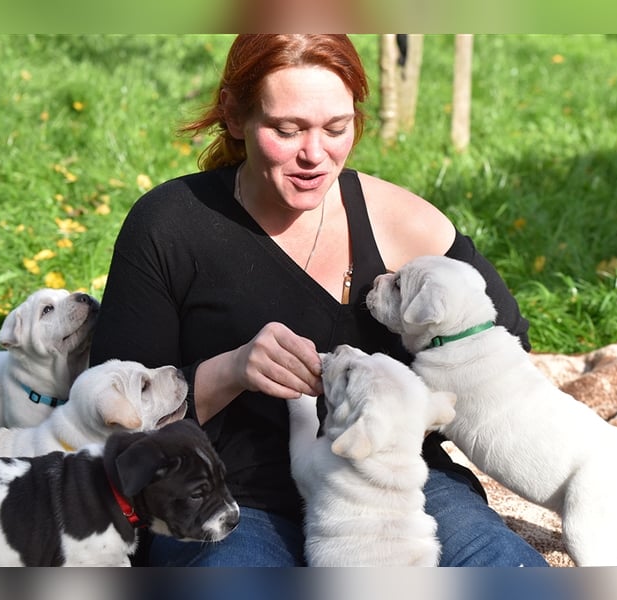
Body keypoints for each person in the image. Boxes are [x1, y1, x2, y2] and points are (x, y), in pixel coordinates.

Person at [90, 34, 548, 567]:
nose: (315, 154)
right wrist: (233, 370)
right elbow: (113, 426)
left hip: (390, 484)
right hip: (226, 496)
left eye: (335, 128)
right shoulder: (170, 225)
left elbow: (505, 347)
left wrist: (412, 409)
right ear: (236, 119)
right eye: (287, 130)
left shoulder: (402, 221)